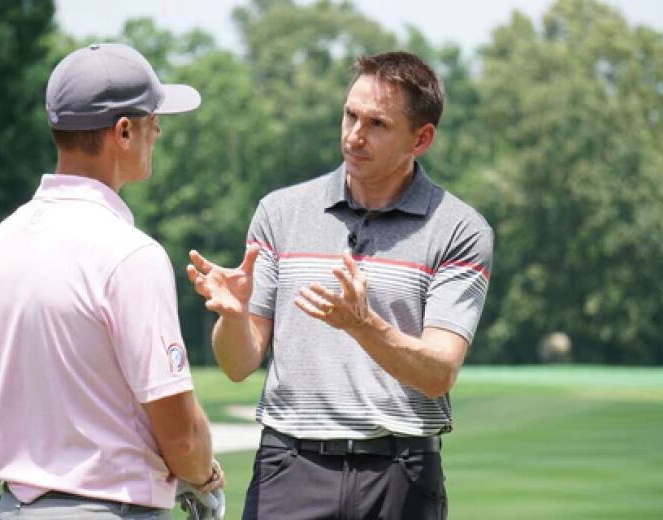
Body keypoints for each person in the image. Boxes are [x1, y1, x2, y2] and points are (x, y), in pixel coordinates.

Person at [188, 51, 494, 519]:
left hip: (402, 474)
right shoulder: (279, 212)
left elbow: (439, 374)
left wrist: (364, 325)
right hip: (288, 468)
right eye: (350, 115)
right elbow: (238, 363)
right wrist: (233, 319)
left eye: (377, 124)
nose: (355, 135)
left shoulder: (459, 229)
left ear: (422, 138)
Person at [0, 43, 223, 519]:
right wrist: (204, 474)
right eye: (153, 120)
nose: (160, 130)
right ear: (124, 132)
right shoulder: (130, 254)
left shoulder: (0, 241)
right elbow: (181, 436)